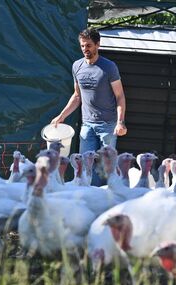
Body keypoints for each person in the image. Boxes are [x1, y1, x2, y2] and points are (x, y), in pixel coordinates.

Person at [51, 28, 127, 185]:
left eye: (89, 45)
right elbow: (77, 96)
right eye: (82, 46)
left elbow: (120, 96)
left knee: (106, 166)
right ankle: (86, 195)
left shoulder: (109, 67)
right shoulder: (77, 66)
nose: (85, 49)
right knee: (84, 164)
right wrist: (61, 116)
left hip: (108, 125)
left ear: (98, 45)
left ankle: (105, 200)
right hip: (87, 124)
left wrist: (120, 121)